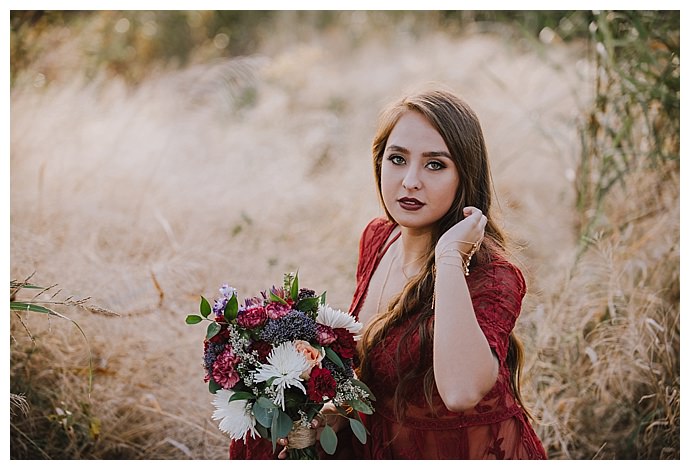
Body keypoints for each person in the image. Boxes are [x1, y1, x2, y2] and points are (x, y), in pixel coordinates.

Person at [230, 86, 547, 459]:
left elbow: (461, 393)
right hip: (384, 445)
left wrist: (449, 259)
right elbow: (378, 374)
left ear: (465, 175)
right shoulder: (379, 237)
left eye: (435, 164)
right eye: (397, 159)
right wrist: (342, 415)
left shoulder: (493, 275)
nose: (410, 180)